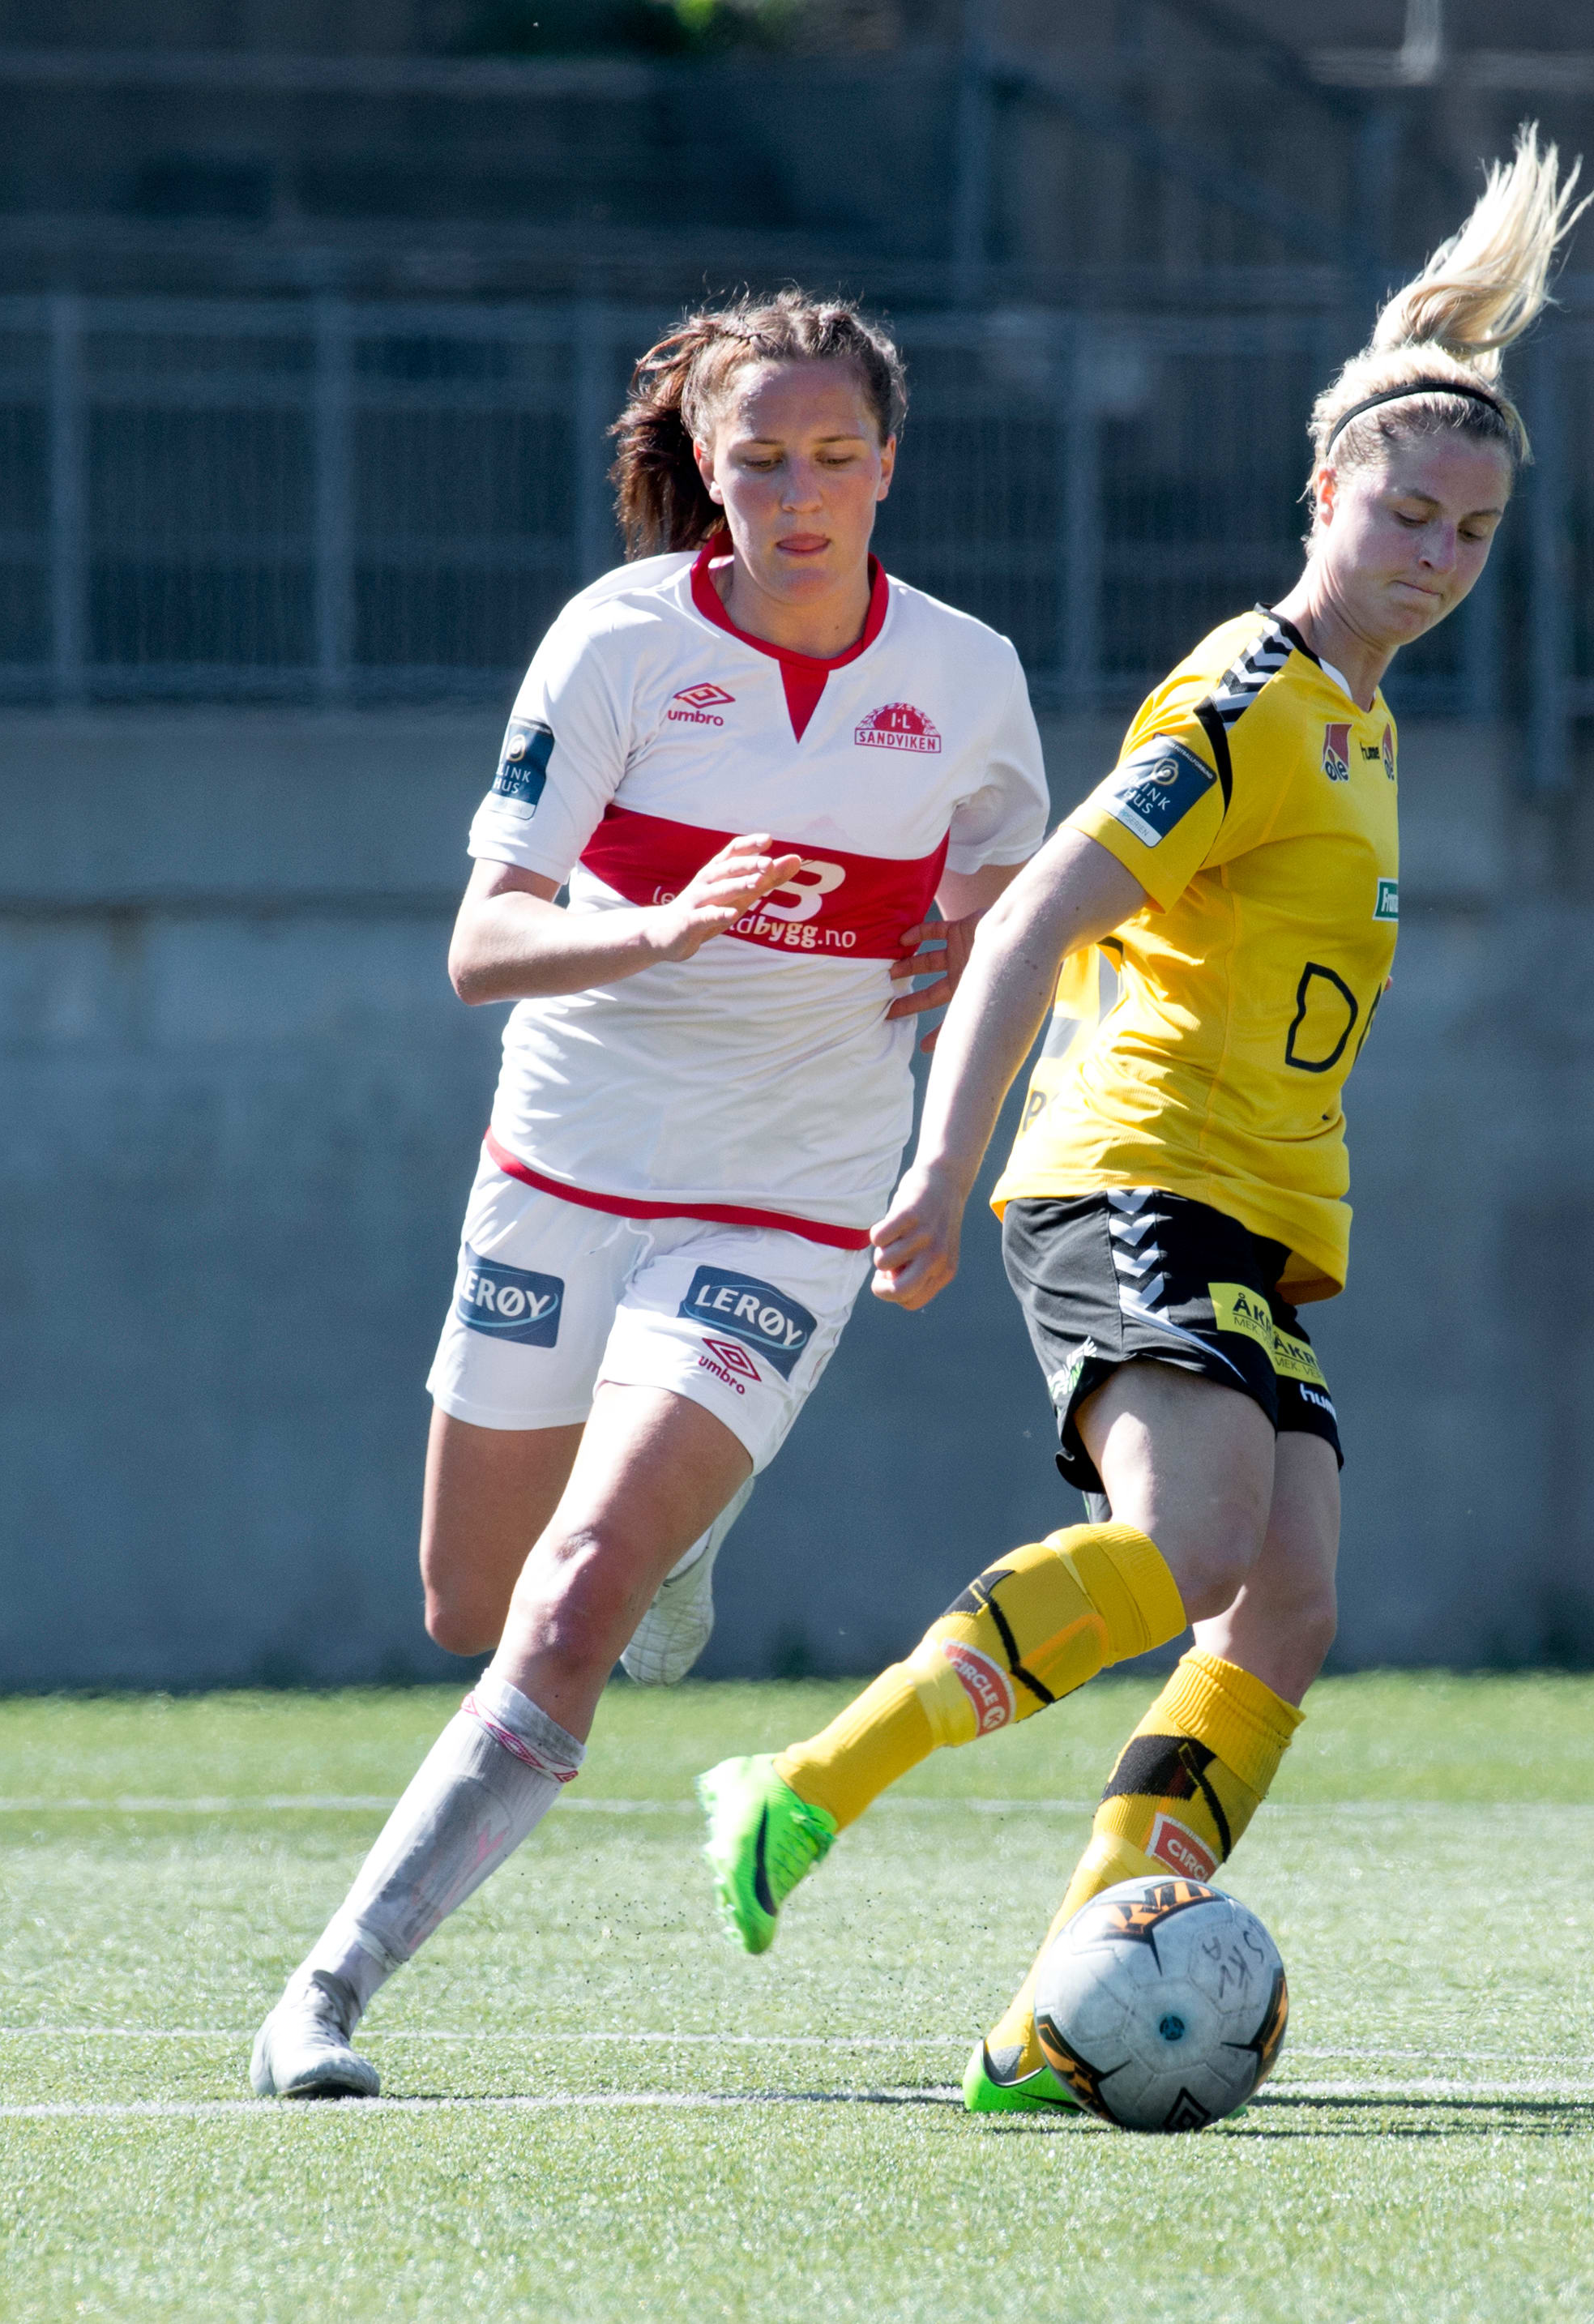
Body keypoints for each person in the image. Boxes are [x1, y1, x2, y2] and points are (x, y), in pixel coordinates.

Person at [694, 131, 1588, 2115]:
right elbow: (1034, 911)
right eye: (1405, 514)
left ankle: (1053, 2017)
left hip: (1250, 1213)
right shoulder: (1249, 700)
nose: (1437, 555)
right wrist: (939, 1167)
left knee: (1291, 1605)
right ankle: (802, 1783)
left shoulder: (1356, 716)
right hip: (1135, 1175)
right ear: (1323, 493)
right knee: (1183, 1551)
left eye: (1470, 532)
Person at [246, 289, 1050, 2096]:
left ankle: (325, 1996)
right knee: (472, 1599)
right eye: (760, 459)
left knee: (574, 1597)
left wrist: (951, 1129)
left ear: (889, 465)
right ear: (704, 460)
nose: (798, 494)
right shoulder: (615, 642)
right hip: (567, 1166)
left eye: (834, 456)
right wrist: (660, 928)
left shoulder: (963, 676)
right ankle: (674, 1540)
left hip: (790, 1197)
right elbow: (481, 945)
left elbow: (1017, 908)